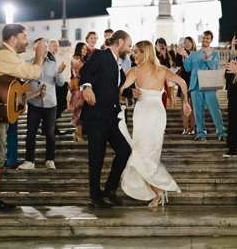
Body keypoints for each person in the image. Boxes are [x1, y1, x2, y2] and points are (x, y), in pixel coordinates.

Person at [0, 23, 44, 211]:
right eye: (24, 37)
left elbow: (12, 92)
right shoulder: (3, 54)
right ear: (13, 39)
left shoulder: (6, 56)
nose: (27, 41)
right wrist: (39, 54)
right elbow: (33, 72)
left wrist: (32, 95)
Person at [118, 40, 190, 206]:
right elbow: (183, 83)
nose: (133, 55)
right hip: (156, 111)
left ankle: (157, 192)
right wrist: (185, 102)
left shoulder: (134, 71)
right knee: (149, 153)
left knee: (144, 153)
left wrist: (125, 97)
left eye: (136, 52)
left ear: (145, 53)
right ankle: (157, 190)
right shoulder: (161, 70)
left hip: (144, 111)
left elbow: (120, 89)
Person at [79, 30, 134, 208]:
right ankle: (94, 197)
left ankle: (109, 189)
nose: (130, 49)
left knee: (125, 149)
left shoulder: (118, 64)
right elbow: (86, 69)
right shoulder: (101, 55)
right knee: (97, 157)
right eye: (129, 45)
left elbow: (118, 87)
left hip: (111, 116)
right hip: (96, 116)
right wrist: (87, 87)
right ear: (119, 42)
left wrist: (131, 92)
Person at [20, 37, 66, 170]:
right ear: (35, 49)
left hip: (51, 103)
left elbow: (60, 83)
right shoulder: (27, 64)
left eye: (46, 46)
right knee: (31, 132)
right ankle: (29, 161)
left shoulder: (53, 64)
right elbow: (23, 82)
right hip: (34, 103)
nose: (45, 48)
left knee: (50, 133)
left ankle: (50, 160)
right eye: (42, 46)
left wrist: (59, 73)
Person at [178, 30, 227, 141]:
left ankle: (221, 133)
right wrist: (185, 56)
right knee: (198, 111)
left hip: (209, 85)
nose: (205, 40)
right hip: (195, 85)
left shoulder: (215, 53)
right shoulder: (194, 54)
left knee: (214, 109)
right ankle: (201, 134)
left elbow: (213, 67)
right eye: (204, 38)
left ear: (211, 40)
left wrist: (207, 57)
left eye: (207, 38)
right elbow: (187, 68)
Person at [174, 37, 197, 135]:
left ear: (192, 43)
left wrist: (187, 55)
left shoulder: (196, 54)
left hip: (194, 81)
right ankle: (185, 127)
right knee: (183, 106)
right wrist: (179, 54)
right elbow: (177, 64)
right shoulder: (181, 53)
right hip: (183, 82)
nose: (187, 44)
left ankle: (193, 127)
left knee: (193, 106)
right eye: (185, 42)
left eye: (188, 42)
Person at [69, 42, 88, 141]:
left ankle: (78, 133)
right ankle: (77, 133)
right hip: (78, 89)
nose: (85, 51)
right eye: (83, 49)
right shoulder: (76, 59)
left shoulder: (81, 59)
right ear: (79, 49)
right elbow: (78, 73)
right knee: (79, 111)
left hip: (81, 88)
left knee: (80, 112)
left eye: (86, 49)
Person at [155, 38, 177, 107]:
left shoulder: (170, 53)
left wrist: (165, 55)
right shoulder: (153, 55)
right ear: (155, 46)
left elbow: (172, 65)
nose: (161, 46)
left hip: (168, 76)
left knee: (170, 94)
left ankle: (172, 109)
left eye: (163, 44)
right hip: (157, 79)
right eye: (159, 44)